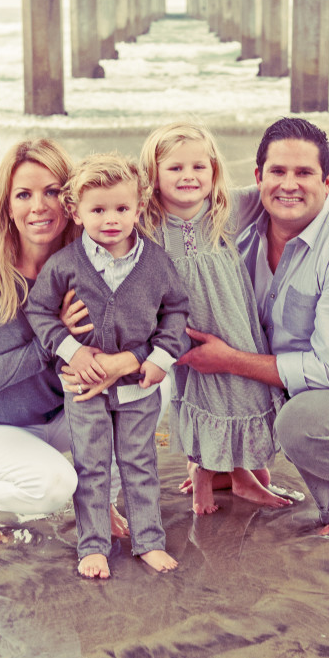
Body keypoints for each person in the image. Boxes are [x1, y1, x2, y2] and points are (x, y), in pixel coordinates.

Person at [178, 117, 329, 540]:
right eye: (278, 172)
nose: (289, 185)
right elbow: (176, 211)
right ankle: (224, 464)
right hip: (290, 378)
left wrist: (229, 361)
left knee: (300, 424)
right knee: (182, 334)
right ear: (258, 178)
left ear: (328, 182)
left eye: (304, 173)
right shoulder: (242, 221)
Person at [0, 139, 127, 548]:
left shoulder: (89, 261)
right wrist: (53, 338)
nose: (39, 207)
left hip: (58, 417)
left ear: (70, 200)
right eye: (24, 195)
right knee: (52, 487)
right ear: (7, 205)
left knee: (146, 387)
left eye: (50, 192)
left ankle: (98, 502)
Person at [24, 154, 189, 578]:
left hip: (138, 386)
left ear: (139, 207)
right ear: (75, 212)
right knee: (92, 463)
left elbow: (176, 311)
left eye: (121, 208)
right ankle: (93, 545)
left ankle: (148, 540)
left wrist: (160, 358)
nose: (110, 219)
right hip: (82, 385)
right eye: (97, 210)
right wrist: (71, 350)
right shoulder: (64, 265)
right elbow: (39, 312)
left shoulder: (155, 263)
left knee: (139, 461)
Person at [139, 120, 291, 516]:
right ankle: (203, 476)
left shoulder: (228, 208)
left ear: (213, 172)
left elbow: (280, 191)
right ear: (153, 177)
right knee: (199, 392)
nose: (188, 176)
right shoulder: (146, 224)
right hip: (185, 326)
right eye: (174, 168)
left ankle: (240, 476)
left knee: (242, 391)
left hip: (234, 324)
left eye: (198, 167)